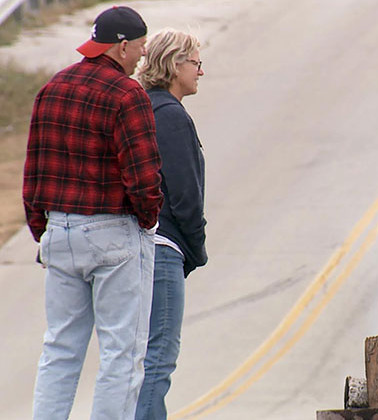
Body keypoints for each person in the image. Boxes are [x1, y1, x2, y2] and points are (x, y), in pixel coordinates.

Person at [23, 6, 162, 419]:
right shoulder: (126, 94)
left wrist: (42, 229)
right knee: (122, 352)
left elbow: (34, 169)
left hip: (59, 230)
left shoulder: (53, 88)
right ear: (121, 47)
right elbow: (143, 174)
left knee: (60, 349)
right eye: (138, 47)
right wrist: (146, 220)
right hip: (112, 232)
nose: (140, 57)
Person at [135, 28, 207, 420]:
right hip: (163, 248)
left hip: (135, 245)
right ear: (175, 64)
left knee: (132, 360)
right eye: (195, 63)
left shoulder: (140, 108)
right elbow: (184, 196)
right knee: (158, 359)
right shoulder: (172, 117)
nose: (200, 72)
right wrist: (196, 249)